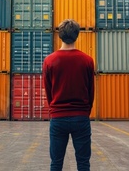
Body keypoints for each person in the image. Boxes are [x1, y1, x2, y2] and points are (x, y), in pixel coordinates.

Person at [42, 19, 95, 171]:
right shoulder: (87, 61)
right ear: (77, 35)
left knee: (56, 164)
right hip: (81, 117)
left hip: (58, 118)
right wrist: (84, 112)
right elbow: (91, 91)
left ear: (60, 35)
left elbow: (48, 91)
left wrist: (55, 110)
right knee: (84, 163)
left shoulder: (49, 61)